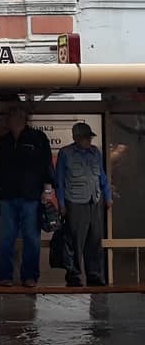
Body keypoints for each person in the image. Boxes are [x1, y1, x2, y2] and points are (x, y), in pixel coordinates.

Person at [0, 103, 54, 288]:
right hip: (8, 196)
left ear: (24, 118)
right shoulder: (4, 141)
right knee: (6, 237)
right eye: (11, 116)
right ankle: (5, 276)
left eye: (16, 115)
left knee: (31, 237)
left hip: (31, 196)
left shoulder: (37, 138)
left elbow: (46, 164)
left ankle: (30, 276)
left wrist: (47, 190)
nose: (13, 119)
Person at [55, 122, 111, 287]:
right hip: (75, 202)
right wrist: (62, 204)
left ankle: (95, 275)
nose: (89, 141)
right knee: (75, 242)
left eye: (90, 138)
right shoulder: (65, 153)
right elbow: (59, 180)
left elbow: (102, 176)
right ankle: (74, 276)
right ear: (76, 138)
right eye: (86, 138)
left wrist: (107, 196)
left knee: (95, 240)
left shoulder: (95, 153)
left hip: (94, 201)